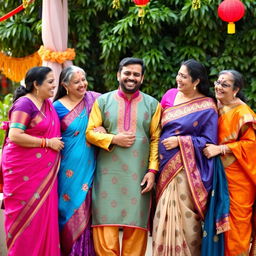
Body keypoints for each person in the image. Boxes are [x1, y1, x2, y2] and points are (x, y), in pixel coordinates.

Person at [86, 57, 161, 256]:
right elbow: (90, 133)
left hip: (138, 176)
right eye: (127, 73)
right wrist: (114, 139)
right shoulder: (103, 101)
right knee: (104, 226)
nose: (131, 77)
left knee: (136, 228)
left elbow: (156, 140)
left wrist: (152, 171)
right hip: (108, 176)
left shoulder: (153, 104)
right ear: (118, 75)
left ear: (142, 78)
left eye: (136, 74)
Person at [152, 59, 229, 256]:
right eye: (178, 74)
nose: (178, 79)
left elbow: (208, 141)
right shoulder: (169, 95)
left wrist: (181, 141)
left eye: (184, 76)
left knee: (186, 220)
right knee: (162, 217)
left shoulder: (207, 106)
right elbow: (156, 128)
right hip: (164, 168)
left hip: (186, 172)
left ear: (196, 81)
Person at [1, 66, 64, 256]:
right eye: (50, 82)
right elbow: (15, 135)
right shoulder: (24, 104)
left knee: (43, 219)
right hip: (23, 172)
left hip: (43, 174)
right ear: (36, 84)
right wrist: (48, 143)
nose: (55, 86)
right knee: (25, 220)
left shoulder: (47, 104)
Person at [203, 70, 256, 256]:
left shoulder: (244, 114)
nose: (218, 87)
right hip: (216, 177)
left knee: (236, 227)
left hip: (239, 181)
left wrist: (221, 149)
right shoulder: (214, 108)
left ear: (236, 90)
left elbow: (252, 145)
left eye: (225, 85)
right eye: (218, 82)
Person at [53, 65, 101, 256]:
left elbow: (109, 122)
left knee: (88, 213)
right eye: (76, 82)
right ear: (65, 85)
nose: (83, 84)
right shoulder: (55, 108)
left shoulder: (96, 100)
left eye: (84, 79)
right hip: (66, 169)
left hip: (90, 166)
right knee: (68, 209)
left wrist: (104, 130)